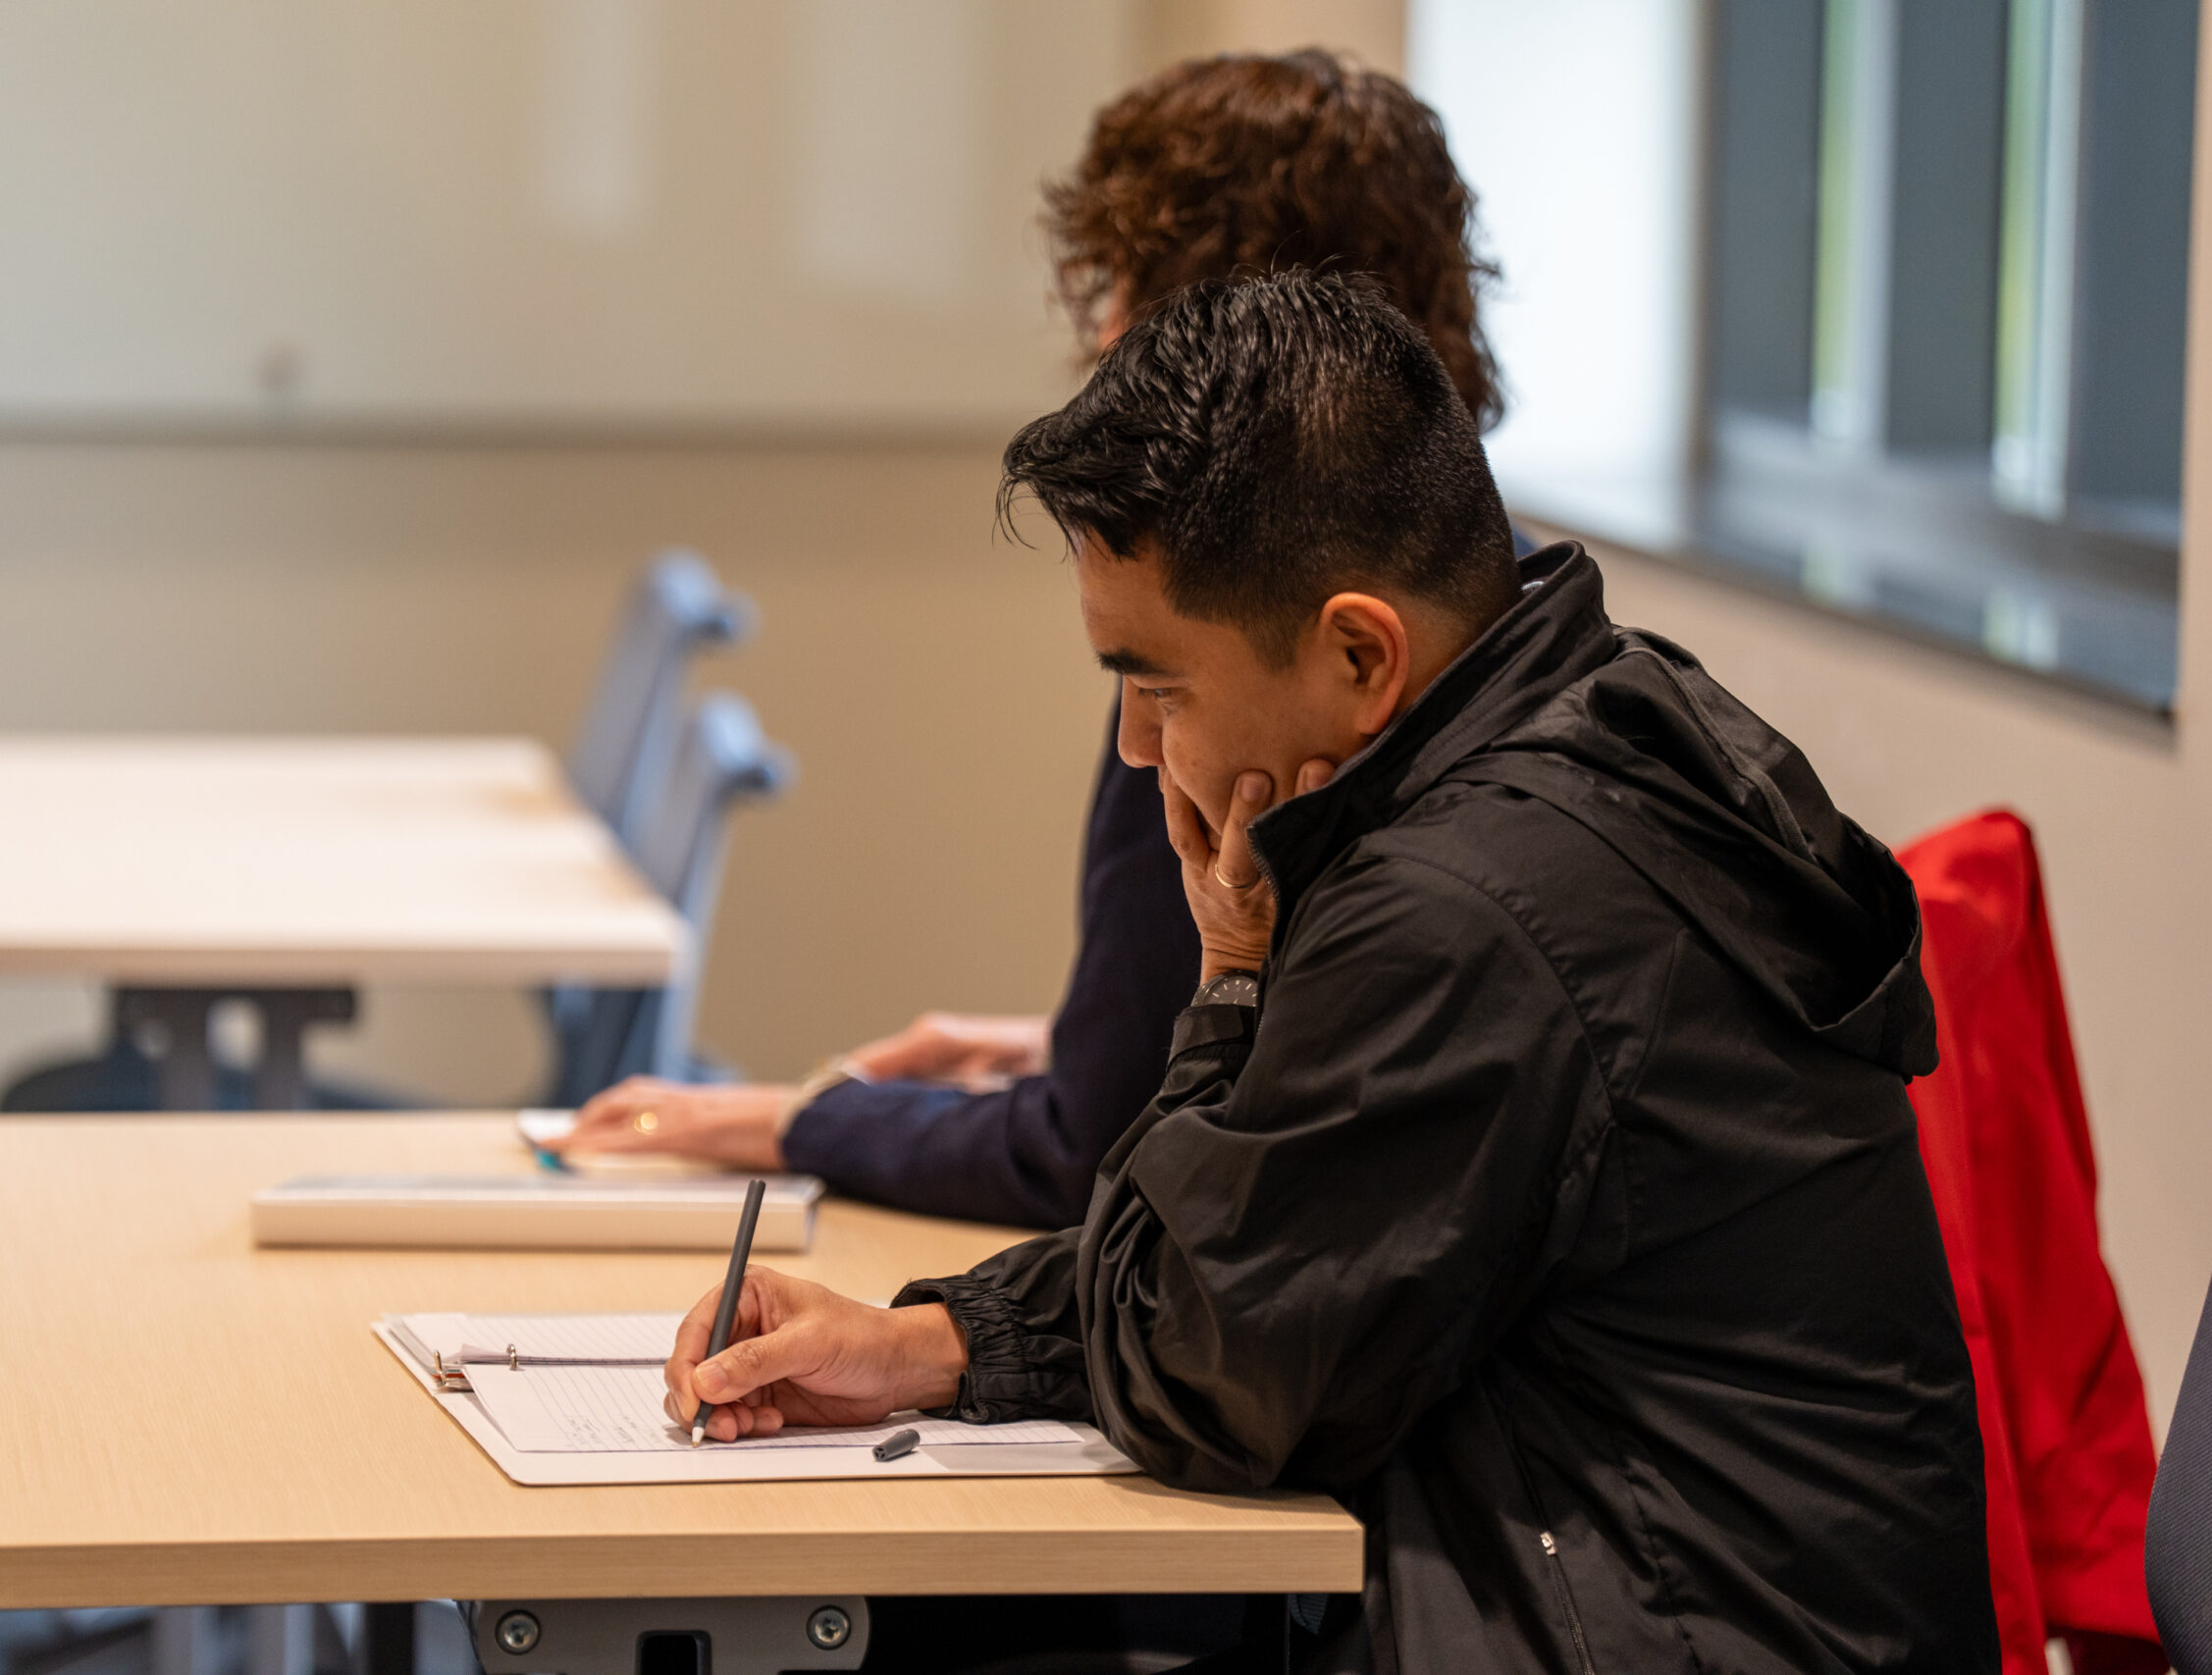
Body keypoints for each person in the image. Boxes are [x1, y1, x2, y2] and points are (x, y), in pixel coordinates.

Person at [654, 274, 2000, 1673]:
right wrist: (935, 1337)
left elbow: (1207, 1366)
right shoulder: (1582, 727)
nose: (1132, 747)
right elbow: (1265, 1250)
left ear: (1361, 652)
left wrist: (1230, 970)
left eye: (1158, 684)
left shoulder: (1470, 904)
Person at [561, 50, 1505, 1230]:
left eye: (1133, 282)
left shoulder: (1233, 684)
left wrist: (801, 1121)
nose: (1103, 325)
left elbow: (1101, 1149)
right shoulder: (1490, 615)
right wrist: (1062, 1049)